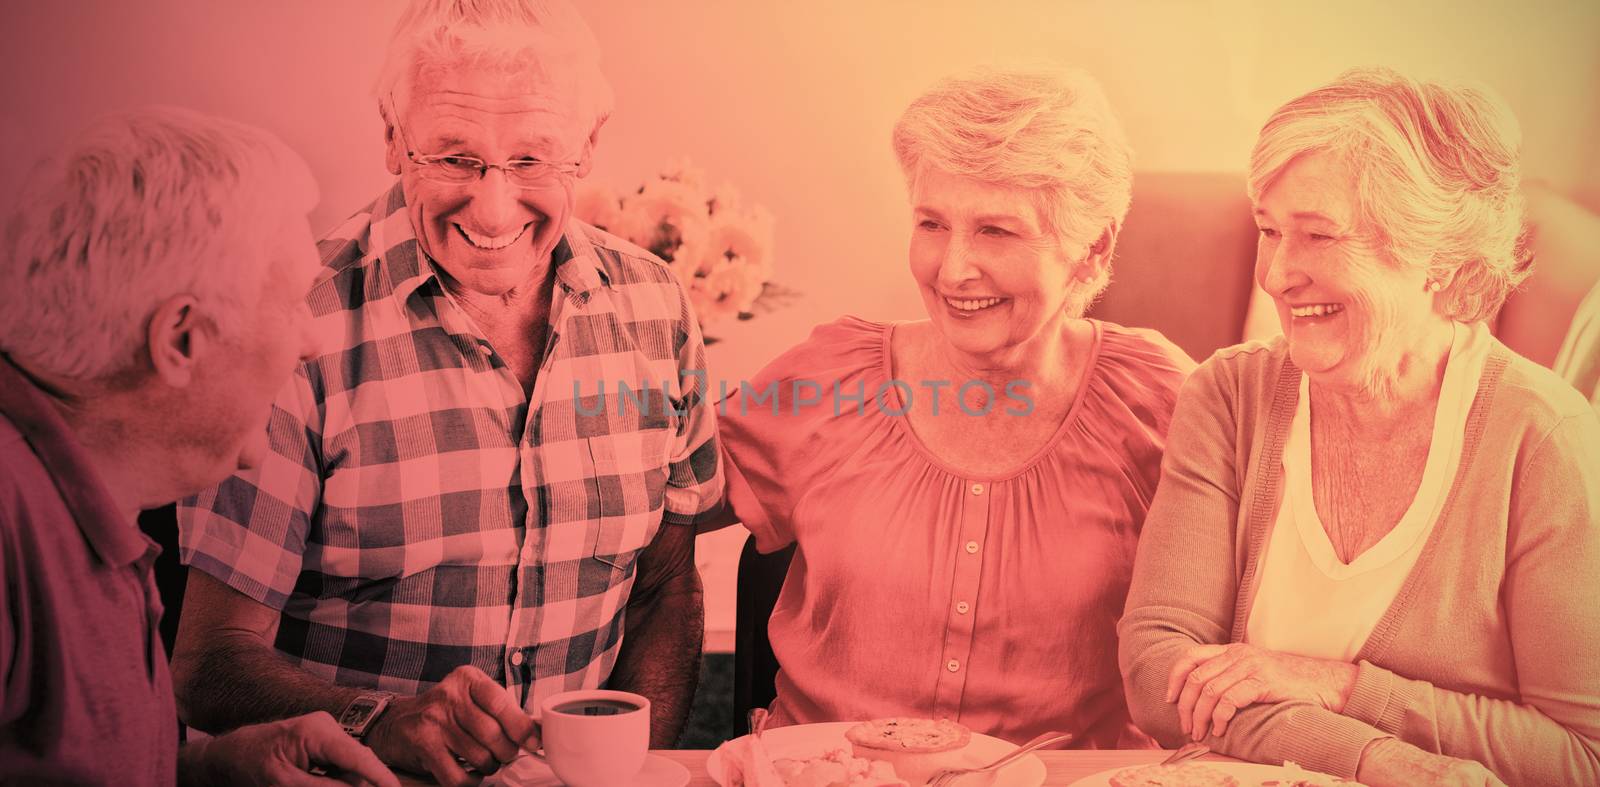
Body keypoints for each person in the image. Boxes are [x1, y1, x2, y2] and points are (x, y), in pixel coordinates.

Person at [171, 2, 723, 784]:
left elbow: (667, 584)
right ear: (394, 136)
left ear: (587, 147)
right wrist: (375, 720)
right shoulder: (296, 321)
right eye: (455, 158)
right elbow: (208, 662)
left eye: (532, 160)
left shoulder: (657, 305)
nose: (494, 209)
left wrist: (629, 770)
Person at [1118, 68, 1600, 787]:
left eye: (1317, 235)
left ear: (1437, 259)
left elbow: (1579, 754)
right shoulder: (1229, 393)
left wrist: (1340, 686)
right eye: (1268, 230)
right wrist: (1373, 756)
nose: (1277, 274)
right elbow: (1160, 672)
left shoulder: (1543, 436)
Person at [709, 65, 1193, 746]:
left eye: (995, 231)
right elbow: (641, 506)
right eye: (932, 223)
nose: (953, 267)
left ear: (1095, 247)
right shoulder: (830, 376)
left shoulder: (1163, 400)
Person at [0, 107, 398, 787]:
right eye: (295, 303)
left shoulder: (92, 501)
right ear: (181, 339)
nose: (313, 340)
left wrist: (209, 769)